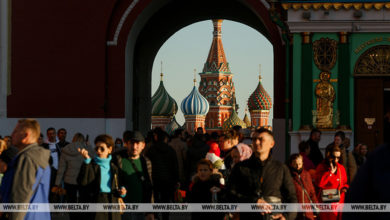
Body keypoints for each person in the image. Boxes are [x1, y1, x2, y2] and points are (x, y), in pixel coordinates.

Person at [227, 128, 297, 220]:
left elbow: (291, 197)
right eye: (254, 139)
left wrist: (286, 217)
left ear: (272, 144)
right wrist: (254, 201)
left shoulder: (280, 168)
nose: (256, 142)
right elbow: (230, 193)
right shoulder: (241, 168)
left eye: (261, 139)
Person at [0, 119, 51, 220]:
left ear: (25, 136)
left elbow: (21, 196)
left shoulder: (27, 158)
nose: (12, 134)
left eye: (15, 131)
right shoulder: (38, 157)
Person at [77, 134, 126, 220]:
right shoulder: (91, 164)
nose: (98, 151)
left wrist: (122, 192)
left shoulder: (114, 167)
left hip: (112, 201)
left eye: (102, 148)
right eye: (97, 148)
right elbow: (82, 182)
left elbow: (119, 185)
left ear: (110, 149)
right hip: (96, 202)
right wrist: (86, 161)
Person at [113, 130, 154, 220]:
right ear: (127, 144)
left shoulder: (146, 162)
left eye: (137, 143)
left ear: (143, 145)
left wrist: (150, 211)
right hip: (123, 208)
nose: (134, 147)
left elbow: (149, 187)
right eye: (132, 143)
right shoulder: (118, 159)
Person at [343, 143, 390, 220]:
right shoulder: (379, 157)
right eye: (362, 149)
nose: (364, 150)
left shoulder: (375, 156)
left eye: (365, 149)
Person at [54, 133, 94, 206]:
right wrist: (89, 146)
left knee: (71, 201)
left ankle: (73, 216)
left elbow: (61, 168)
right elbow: (94, 157)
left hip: (69, 180)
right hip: (83, 179)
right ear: (83, 140)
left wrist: (57, 183)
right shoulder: (85, 149)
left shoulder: (66, 149)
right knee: (83, 201)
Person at [315, 145, 348, 220]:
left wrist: (345, 188)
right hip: (327, 202)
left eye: (338, 157)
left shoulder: (341, 167)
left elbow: (345, 182)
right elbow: (319, 183)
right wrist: (330, 173)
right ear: (328, 155)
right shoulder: (321, 167)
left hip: (339, 202)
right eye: (334, 157)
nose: (336, 159)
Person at [288, 154, 318, 220]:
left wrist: (316, 207)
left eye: (299, 164)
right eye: (295, 164)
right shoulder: (288, 176)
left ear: (302, 163)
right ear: (291, 164)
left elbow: (312, 193)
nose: (298, 166)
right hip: (295, 213)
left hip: (308, 213)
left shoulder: (306, 174)